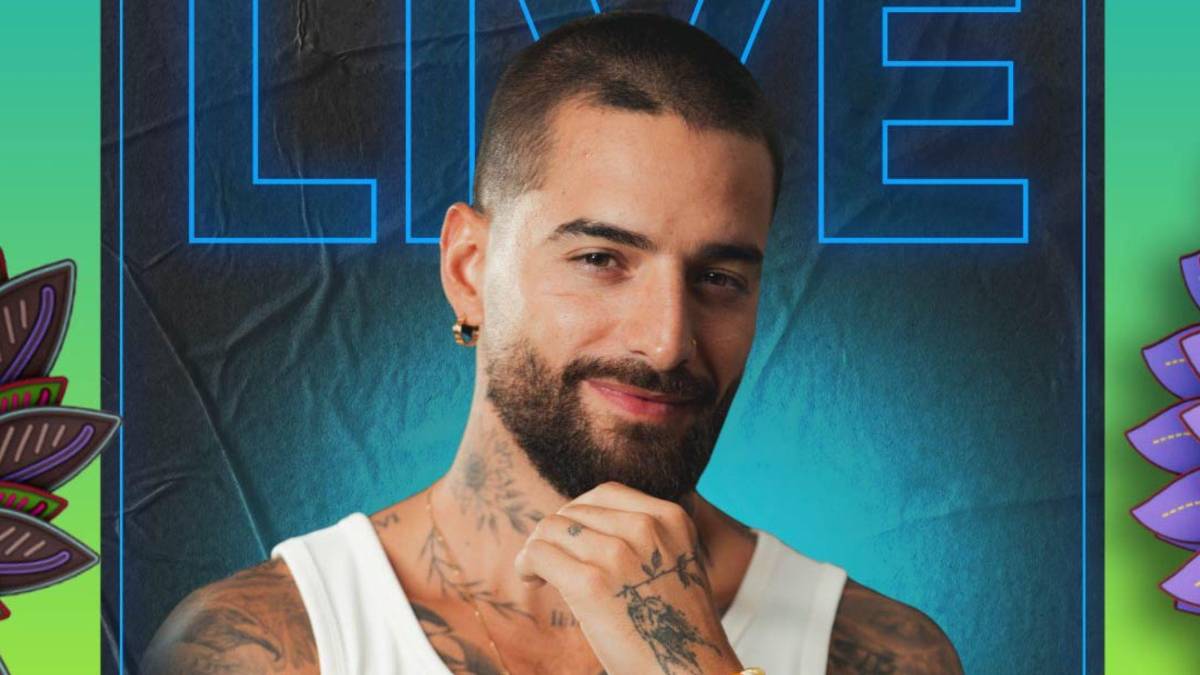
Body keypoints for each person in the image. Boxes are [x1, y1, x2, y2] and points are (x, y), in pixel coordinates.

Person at [144, 11, 962, 675]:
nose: (666, 341)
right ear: (469, 270)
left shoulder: (880, 654)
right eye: (602, 259)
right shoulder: (264, 646)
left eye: (718, 277)